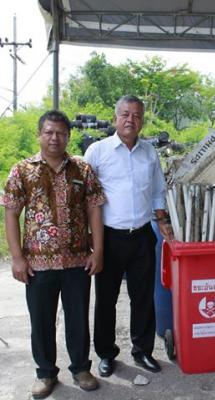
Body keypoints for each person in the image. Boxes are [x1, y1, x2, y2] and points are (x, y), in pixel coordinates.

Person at [1, 110, 106, 399]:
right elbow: (11, 214)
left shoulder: (82, 170)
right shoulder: (22, 170)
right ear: (39, 135)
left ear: (68, 136)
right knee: (41, 321)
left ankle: (81, 369)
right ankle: (45, 373)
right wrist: (17, 258)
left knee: (78, 319)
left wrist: (98, 251)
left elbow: (94, 209)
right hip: (37, 265)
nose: (54, 138)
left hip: (77, 261)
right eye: (48, 132)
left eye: (60, 133)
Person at [84, 95, 172, 377]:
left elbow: (158, 191)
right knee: (106, 299)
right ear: (115, 118)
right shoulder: (97, 151)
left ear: (142, 121)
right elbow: (84, 195)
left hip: (143, 235)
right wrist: (89, 237)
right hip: (109, 238)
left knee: (143, 297)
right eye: (125, 114)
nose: (130, 120)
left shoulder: (149, 153)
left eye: (136, 115)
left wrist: (162, 220)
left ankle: (142, 351)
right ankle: (106, 354)